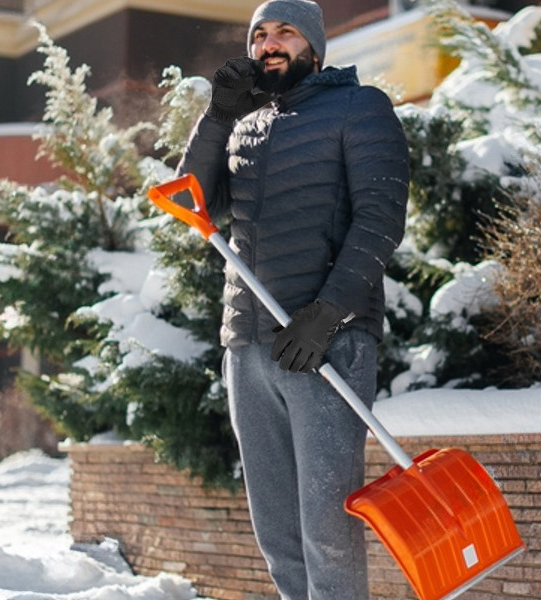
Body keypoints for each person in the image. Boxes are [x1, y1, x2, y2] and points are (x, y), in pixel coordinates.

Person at [175, 0, 409, 598]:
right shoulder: (245, 121)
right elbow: (190, 202)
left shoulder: (360, 107)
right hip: (248, 345)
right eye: (260, 34)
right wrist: (219, 114)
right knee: (277, 531)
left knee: (327, 529)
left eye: (285, 32)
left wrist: (328, 314)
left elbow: (379, 220)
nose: (270, 43)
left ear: (314, 47)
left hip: (326, 342)